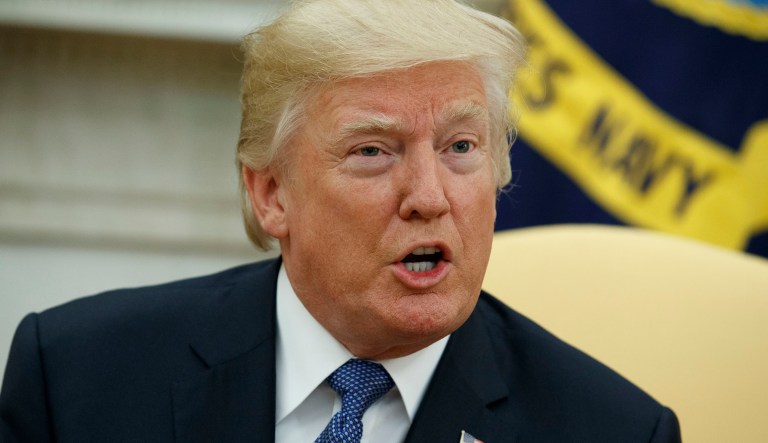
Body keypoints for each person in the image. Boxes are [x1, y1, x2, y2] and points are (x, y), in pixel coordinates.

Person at [0, 0, 681, 442]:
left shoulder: (613, 430)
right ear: (271, 194)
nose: (429, 196)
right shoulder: (76, 378)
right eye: (372, 151)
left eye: (461, 148)